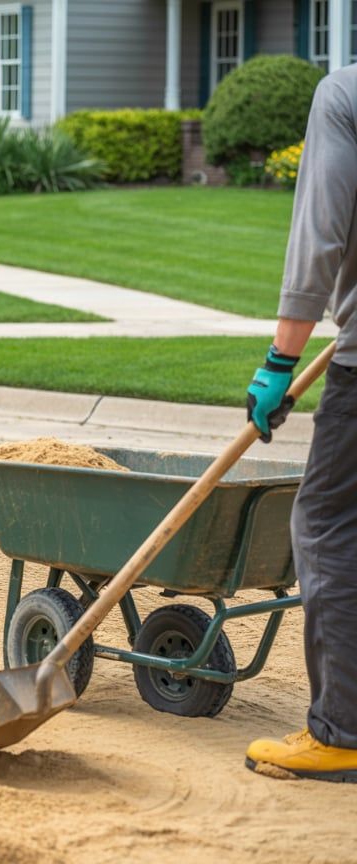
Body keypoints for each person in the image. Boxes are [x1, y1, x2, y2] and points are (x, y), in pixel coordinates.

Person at [244, 65, 357, 783]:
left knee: (327, 527)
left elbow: (320, 236)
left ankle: (342, 732)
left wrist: (279, 361)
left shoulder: (346, 94)